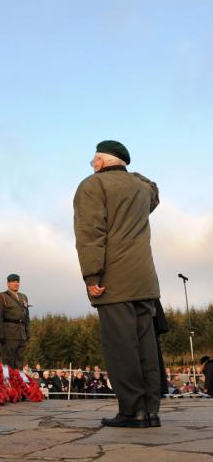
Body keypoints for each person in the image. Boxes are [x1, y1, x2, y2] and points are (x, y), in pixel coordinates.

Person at [73, 140, 161, 428]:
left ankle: (132, 411)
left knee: (121, 349)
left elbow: (91, 233)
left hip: (114, 281)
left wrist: (92, 275)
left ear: (100, 161)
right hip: (145, 281)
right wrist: (129, 173)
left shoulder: (92, 186)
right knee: (146, 348)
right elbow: (154, 190)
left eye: (93, 161)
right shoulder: (141, 188)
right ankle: (150, 412)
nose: (91, 165)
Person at [0, 274, 30, 369]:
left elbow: (27, 316)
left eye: (17, 281)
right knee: (8, 361)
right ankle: (8, 382)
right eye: (13, 281)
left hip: (21, 334)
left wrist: (27, 331)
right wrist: (0, 334)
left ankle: (17, 382)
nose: (16, 284)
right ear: (8, 283)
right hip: (9, 334)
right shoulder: (2, 296)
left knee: (20, 361)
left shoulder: (23, 297)